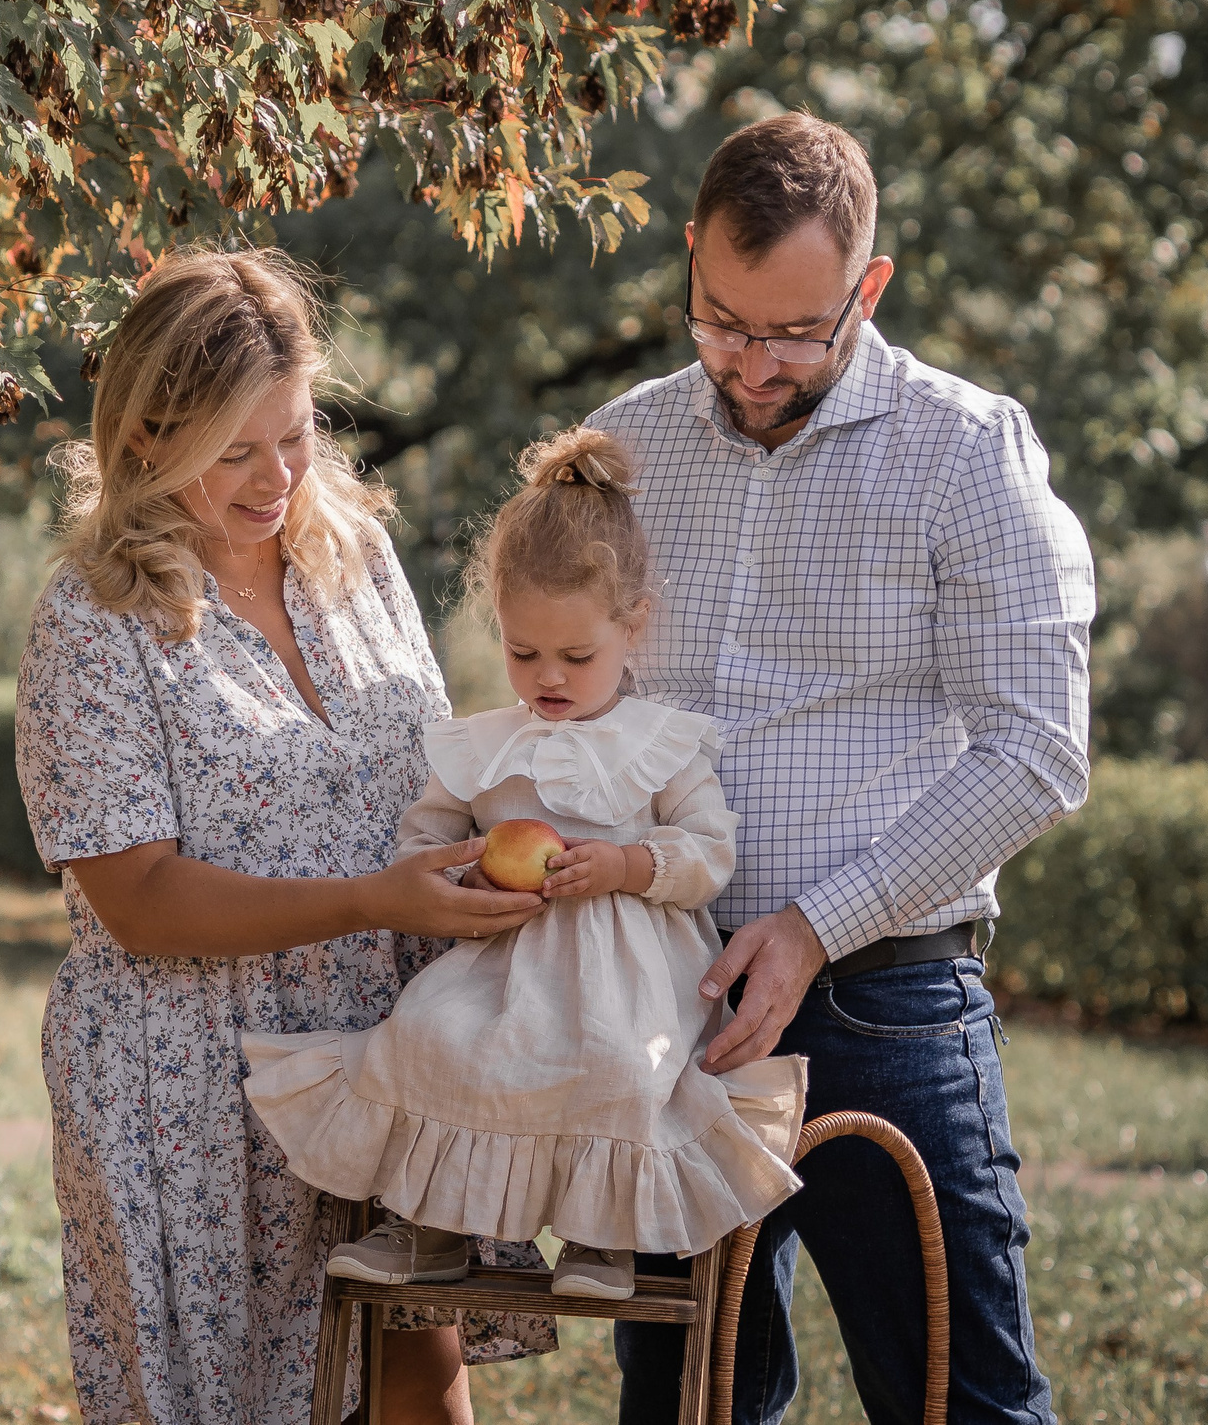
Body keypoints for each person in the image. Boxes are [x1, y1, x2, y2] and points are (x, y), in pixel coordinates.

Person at [593, 113, 1096, 1424]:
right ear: (691, 255)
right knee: (689, 1408)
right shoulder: (619, 450)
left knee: (961, 1402)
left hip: (889, 1006)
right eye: (723, 320)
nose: (754, 365)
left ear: (867, 288)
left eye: (798, 331)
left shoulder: (967, 448)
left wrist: (816, 928)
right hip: (673, 1006)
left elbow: (1038, 746)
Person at [13, 246, 556, 1425]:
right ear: (149, 434)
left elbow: (430, 758)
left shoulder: (352, 555)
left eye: (295, 433)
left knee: (419, 1369)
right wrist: (375, 898)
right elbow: (138, 896)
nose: (276, 476)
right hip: (196, 1083)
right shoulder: (97, 617)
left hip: (385, 1044)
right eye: (235, 448)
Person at [239, 425, 808, 1300]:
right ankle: (427, 1233)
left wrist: (625, 866)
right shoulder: (481, 746)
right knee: (427, 1040)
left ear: (633, 625)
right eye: (522, 652)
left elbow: (708, 855)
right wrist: (463, 873)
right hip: (501, 966)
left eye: (576, 657)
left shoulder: (660, 743)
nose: (548, 676)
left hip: (625, 980)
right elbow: (425, 838)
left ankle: (601, 1239)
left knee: (622, 1069)